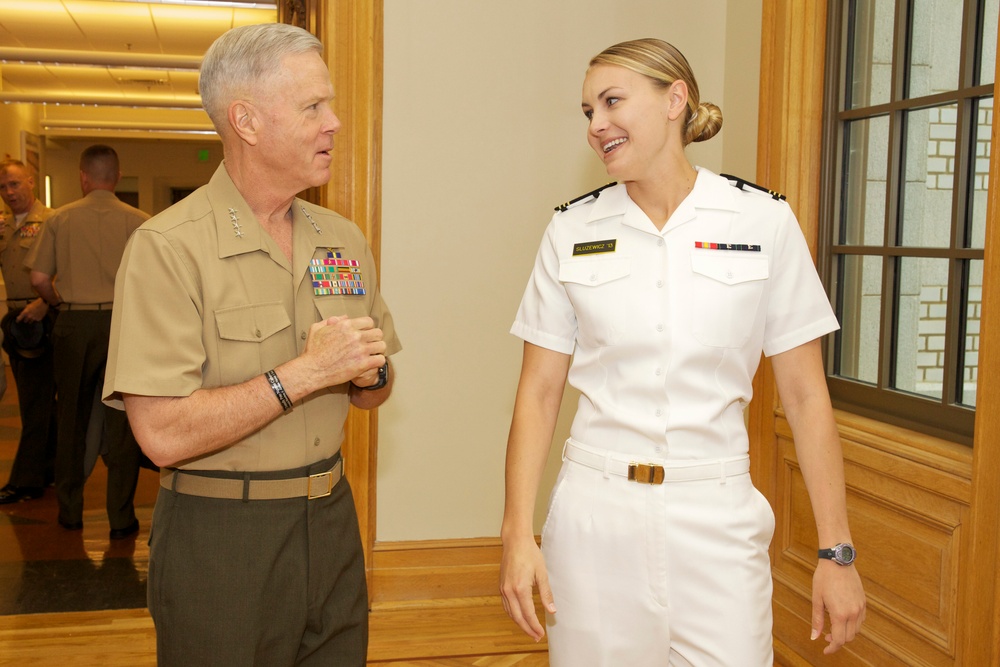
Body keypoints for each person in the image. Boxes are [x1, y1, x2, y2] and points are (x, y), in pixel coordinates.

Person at [499, 38, 866, 666]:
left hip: (717, 517)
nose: (596, 125)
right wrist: (515, 532)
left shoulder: (762, 221)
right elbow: (538, 392)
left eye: (612, 102)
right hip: (595, 519)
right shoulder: (572, 228)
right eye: (587, 111)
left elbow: (806, 399)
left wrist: (837, 551)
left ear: (676, 99)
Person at [102, 23, 401, 666]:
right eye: (312, 107)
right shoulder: (170, 248)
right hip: (221, 537)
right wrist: (306, 371)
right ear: (247, 121)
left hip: (331, 520)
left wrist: (368, 375)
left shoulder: (340, 239)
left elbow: (374, 389)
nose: (335, 123)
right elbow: (161, 435)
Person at [26, 144, 148, 537]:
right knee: (124, 423)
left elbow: (39, 280)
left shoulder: (59, 219)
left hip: (75, 324)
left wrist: (60, 304)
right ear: (116, 176)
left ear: (82, 176)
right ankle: (121, 517)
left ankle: (71, 511)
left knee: (72, 421)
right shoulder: (140, 222)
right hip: (123, 326)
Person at [0, 160, 58, 505]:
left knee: (36, 405)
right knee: (37, 404)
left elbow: (70, 269)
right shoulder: (4, 226)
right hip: (14, 320)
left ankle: (25, 480)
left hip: (42, 317)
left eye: (15, 184)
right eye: (4, 187)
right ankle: (47, 470)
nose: (9, 192)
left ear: (31, 182)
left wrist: (45, 302)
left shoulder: (52, 221)